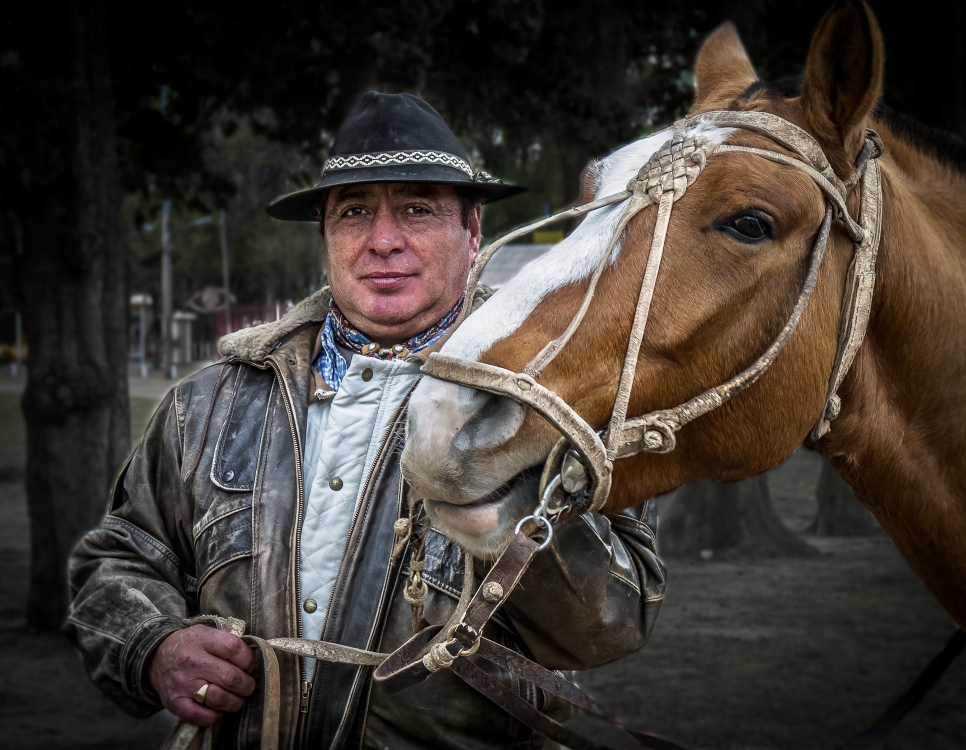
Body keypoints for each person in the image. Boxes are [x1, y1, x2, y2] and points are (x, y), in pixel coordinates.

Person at [64, 92, 665, 750]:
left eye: (417, 208)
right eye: (355, 212)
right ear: (326, 235)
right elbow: (115, 562)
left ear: (473, 232)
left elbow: (613, 622)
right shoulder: (209, 403)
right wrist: (153, 646)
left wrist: (510, 493)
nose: (383, 240)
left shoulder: (559, 407)